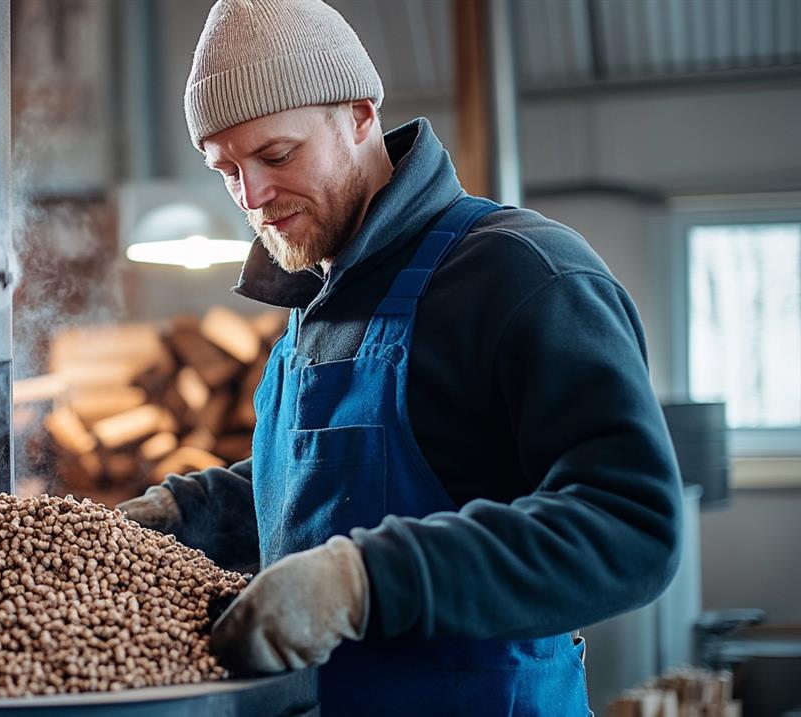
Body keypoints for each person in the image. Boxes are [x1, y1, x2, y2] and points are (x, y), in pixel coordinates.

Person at [116, 0, 682, 713]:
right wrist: (189, 513)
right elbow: (313, 497)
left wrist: (364, 581)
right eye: (226, 168)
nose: (251, 197)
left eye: (276, 155)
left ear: (359, 116)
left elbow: (632, 525)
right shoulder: (316, 301)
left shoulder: (524, 275)